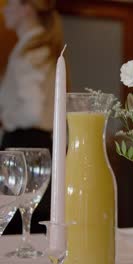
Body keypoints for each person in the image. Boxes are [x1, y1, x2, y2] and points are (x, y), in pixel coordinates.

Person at [1, 0, 63, 234]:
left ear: (27, 8)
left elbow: (33, 111)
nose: (4, 9)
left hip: (24, 147)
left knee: (21, 225)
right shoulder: (35, 47)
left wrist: (7, 117)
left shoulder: (32, 50)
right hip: (37, 145)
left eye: (9, 3)